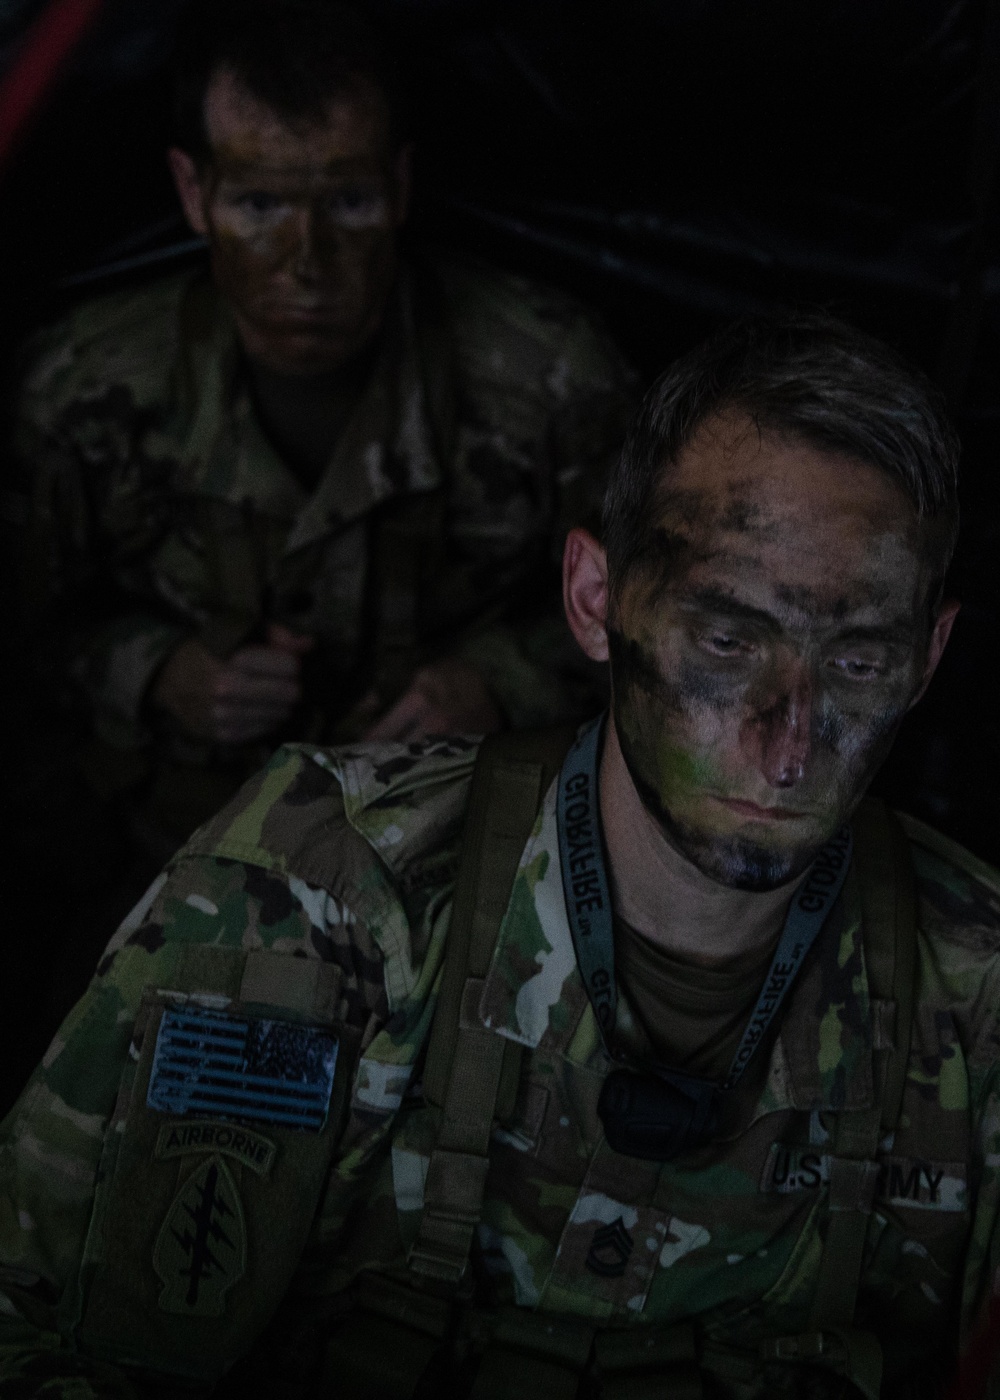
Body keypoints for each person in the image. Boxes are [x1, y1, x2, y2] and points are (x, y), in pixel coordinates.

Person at [1, 313, 994, 1400]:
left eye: (856, 660)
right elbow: (46, 1335)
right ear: (593, 599)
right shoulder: (319, 889)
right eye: (726, 638)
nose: (789, 738)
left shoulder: (976, 991)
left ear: (927, 657)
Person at [9, 0, 632, 863]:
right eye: (260, 202)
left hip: (447, 847)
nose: (307, 258)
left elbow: (661, 622)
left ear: (401, 187)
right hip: (167, 851)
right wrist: (154, 672)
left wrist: (500, 682)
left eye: (348, 199)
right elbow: (22, 631)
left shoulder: (552, 382)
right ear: (195, 193)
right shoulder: (80, 391)